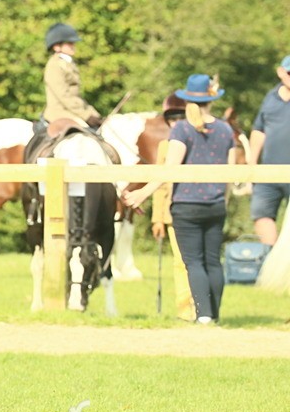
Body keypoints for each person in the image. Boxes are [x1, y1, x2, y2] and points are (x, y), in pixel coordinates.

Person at [124, 74, 237, 324]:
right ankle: (214, 315)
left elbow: (169, 170)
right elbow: (230, 174)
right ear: (211, 100)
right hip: (216, 204)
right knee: (213, 261)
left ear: (187, 101)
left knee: (193, 262)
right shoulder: (225, 129)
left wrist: (142, 193)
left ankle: (204, 315)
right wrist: (224, 201)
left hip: (187, 205)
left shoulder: (182, 130)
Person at [149, 93, 194, 321]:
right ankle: (184, 308)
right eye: (172, 120)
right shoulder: (165, 146)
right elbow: (161, 185)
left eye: (180, 118)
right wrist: (157, 217)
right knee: (179, 261)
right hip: (171, 209)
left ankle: (200, 305)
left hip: (193, 204)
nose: (176, 124)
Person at [249, 55, 290, 247]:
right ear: (281, 72)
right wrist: (251, 168)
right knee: (261, 214)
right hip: (268, 172)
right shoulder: (270, 98)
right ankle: (271, 258)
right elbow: (259, 131)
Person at [42, 23, 103, 127]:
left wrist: (94, 113)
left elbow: (76, 96)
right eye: (69, 43)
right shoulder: (54, 66)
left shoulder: (69, 63)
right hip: (59, 113)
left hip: (72, 111)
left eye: (73, 43)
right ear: (57, 47)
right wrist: (86, 115)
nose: (73, 46)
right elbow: (64, 96)